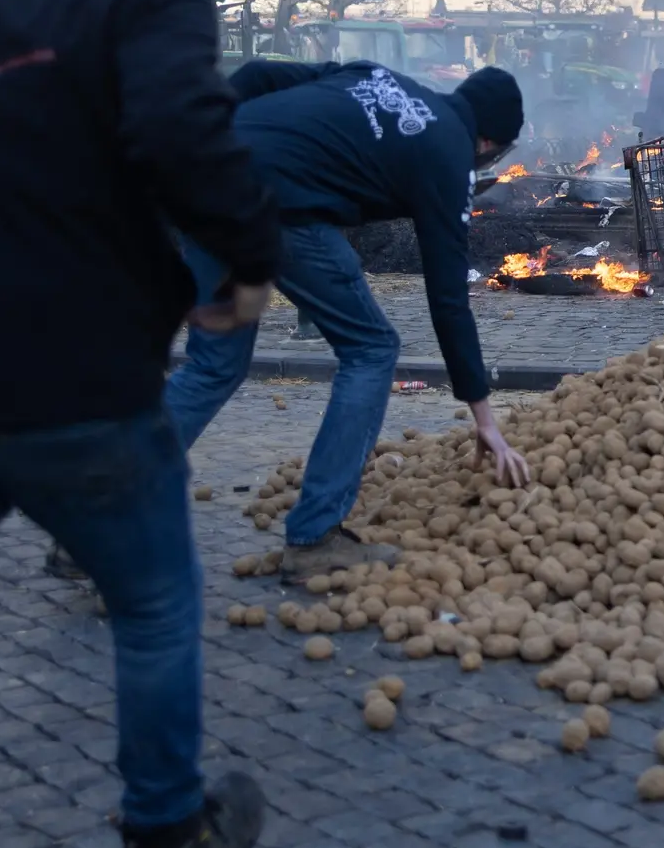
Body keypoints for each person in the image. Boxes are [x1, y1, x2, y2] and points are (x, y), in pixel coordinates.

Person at [0, 0, 273, 848]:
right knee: (153, 603)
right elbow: (180, 129)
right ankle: (166, 837)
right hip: (77, 380)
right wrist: (244, 262)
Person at [164, 59, 533, 584]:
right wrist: (485, 418)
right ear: (489, 144)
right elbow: (448, 296)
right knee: (371, 349)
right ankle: (315, 536)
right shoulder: (449, 155)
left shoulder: (374, 74)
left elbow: (259, 73)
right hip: (273, 214)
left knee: (214, 364)